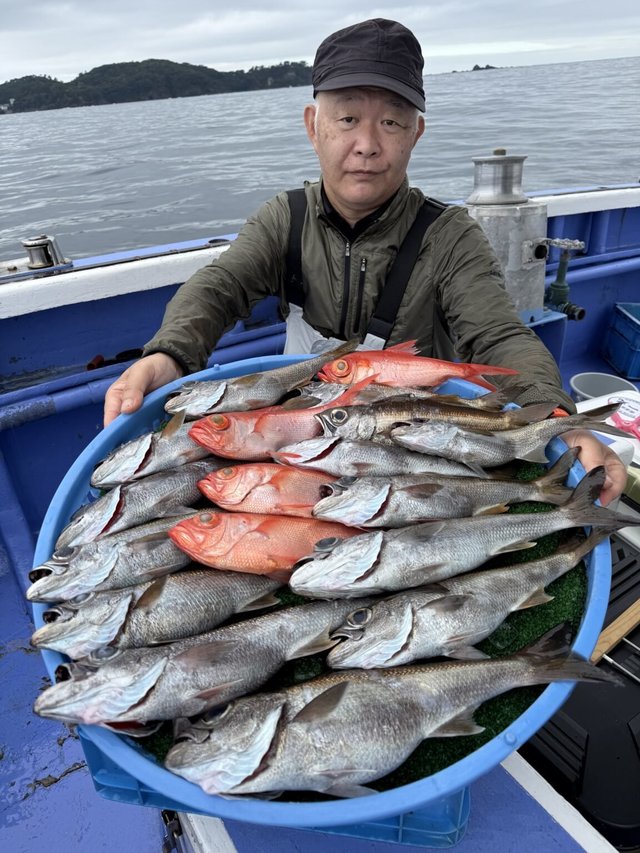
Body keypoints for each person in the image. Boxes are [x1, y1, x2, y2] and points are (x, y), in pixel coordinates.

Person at [103, 18, 627, 506]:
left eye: (392, 122)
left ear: (416, 133)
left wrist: (557, 417)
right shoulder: (283, 219)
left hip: (417, 430)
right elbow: (219, 286)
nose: (368, 146)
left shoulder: (450, 236)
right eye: (348, 118)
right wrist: (168, 354)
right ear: (314, 125)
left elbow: (497, 333)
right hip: (301, 420)